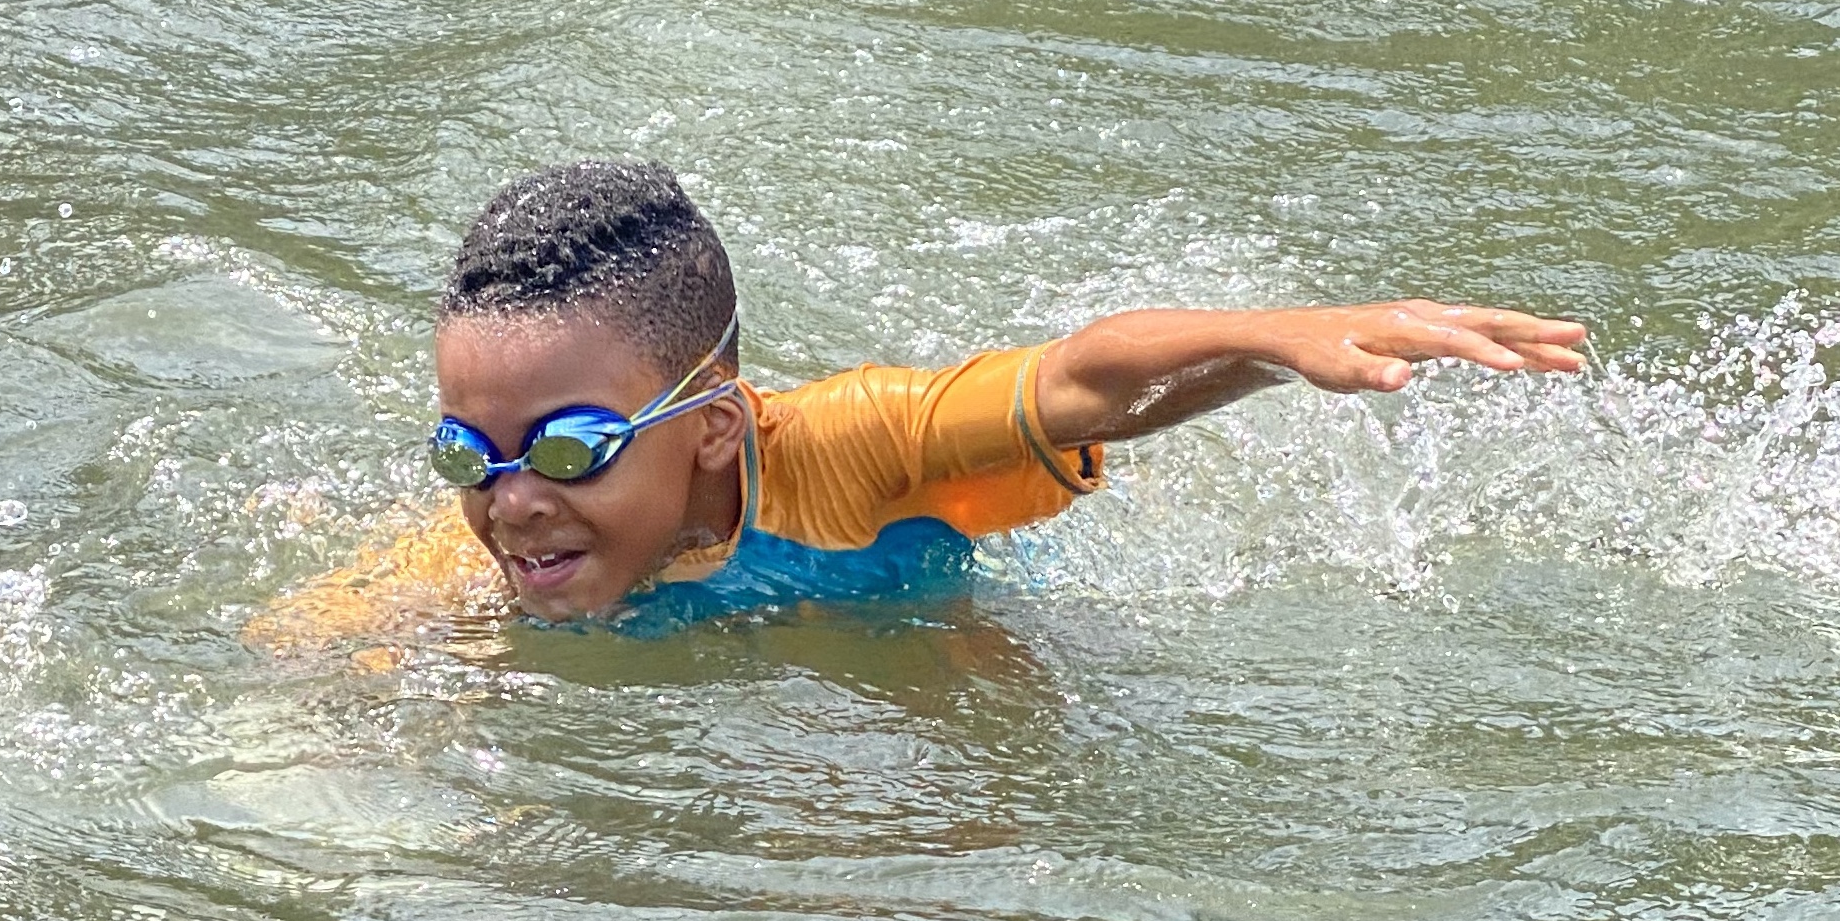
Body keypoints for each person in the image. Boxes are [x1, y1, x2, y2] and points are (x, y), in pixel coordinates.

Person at [250, 159, 1587, 646]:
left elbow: (1080, 381)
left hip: (921, 611)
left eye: (569, 448)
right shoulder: (484, 555)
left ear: (712, 427)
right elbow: (302, 649)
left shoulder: (849, 447)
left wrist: (1274, 335)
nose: (512, 502)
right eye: (466, 454)